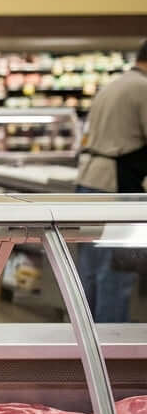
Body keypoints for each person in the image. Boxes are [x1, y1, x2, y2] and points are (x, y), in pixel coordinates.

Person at [74, 38, 147, 323]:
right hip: (117, 186)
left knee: (89, 269)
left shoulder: (114, 84)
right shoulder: (142, 88)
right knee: (116, 271)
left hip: (91, 180)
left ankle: (85, 340)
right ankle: (110, 351)